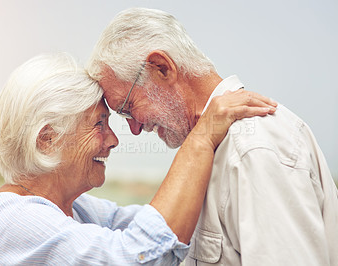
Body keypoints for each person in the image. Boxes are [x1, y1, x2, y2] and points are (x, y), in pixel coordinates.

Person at [0, 52, 276, 265]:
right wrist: (201, 138)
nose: (113, 140)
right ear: (47, 139)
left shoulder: (75, 209)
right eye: (98, 124)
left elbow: (160, 227)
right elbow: (137, 257)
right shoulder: (11, 221)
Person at [86, 7, 338, 266]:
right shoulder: (214, 148)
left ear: (162, 68)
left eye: (128, 108)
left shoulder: (252, 147)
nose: (135, 130)